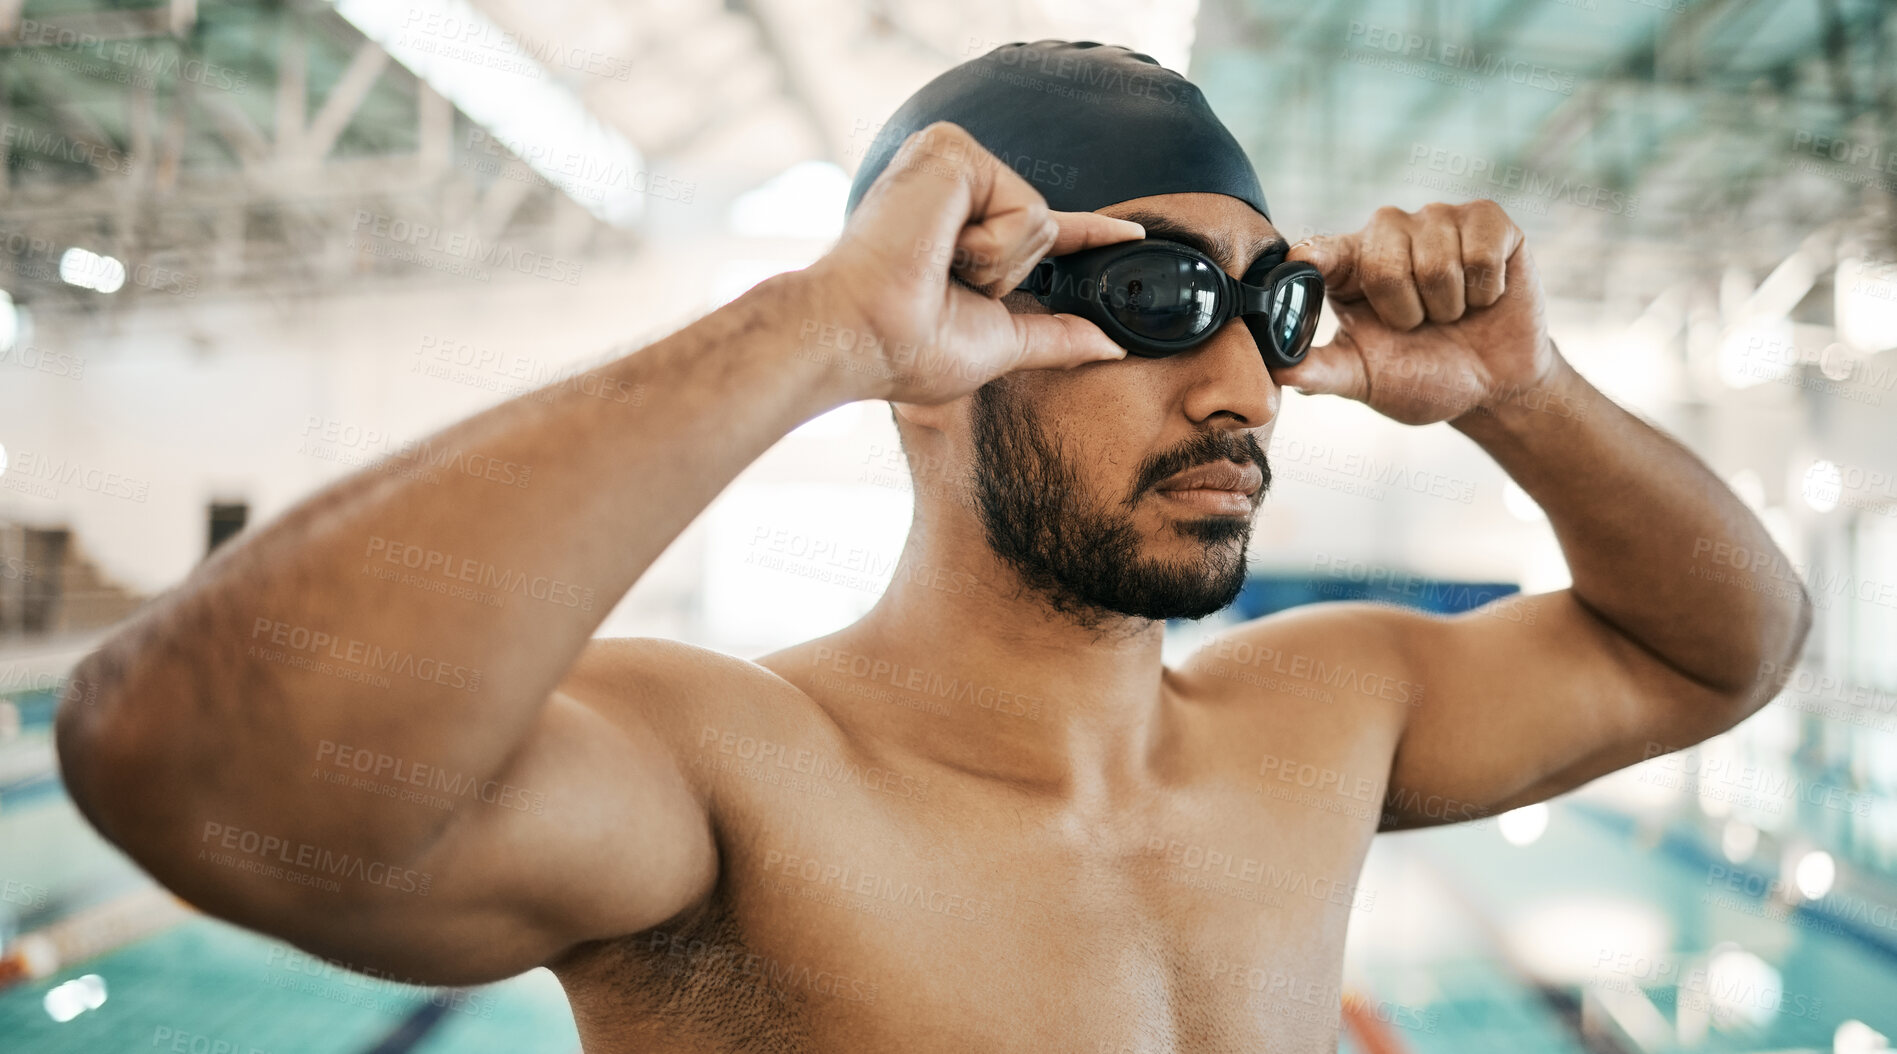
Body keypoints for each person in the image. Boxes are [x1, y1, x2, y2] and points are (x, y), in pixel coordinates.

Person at [56, 40, 1809, 1053]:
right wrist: (805, 333)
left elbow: (1718, 646)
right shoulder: (730, 783)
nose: (1245, 396)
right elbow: (184, 756)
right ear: (938, 350)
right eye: (1152, 301)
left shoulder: (1325, 712)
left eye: (1264, 314)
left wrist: (1526, 390)